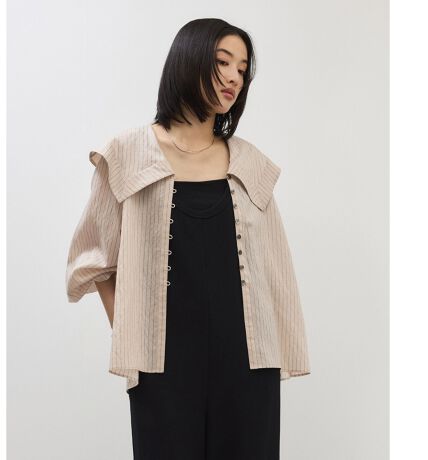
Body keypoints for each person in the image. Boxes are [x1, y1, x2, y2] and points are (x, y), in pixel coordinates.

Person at [65, 18, 311, 460]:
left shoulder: (250, 164)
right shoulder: (128, 154)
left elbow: (275, 270)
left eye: (242, 69)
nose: (234, 77)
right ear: (188, 60)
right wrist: (132, 333)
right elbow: (94, 258)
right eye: (223, 62)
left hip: (247, 366)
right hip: (163, 366)